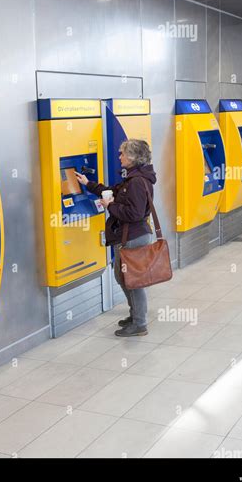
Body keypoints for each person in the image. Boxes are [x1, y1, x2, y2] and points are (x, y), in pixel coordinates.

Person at [75, 139, 156, 337]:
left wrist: (109, 206)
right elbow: (113, 191)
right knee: (123, 277)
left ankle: (140, 323)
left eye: (122, 153)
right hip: (131, 235)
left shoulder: (137, 182)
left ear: (132, 157)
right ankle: (135, 315)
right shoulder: (134, 178)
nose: (119, 156)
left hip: (133, 237)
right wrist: (88, 184)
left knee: (132, 281)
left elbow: (134, 213)